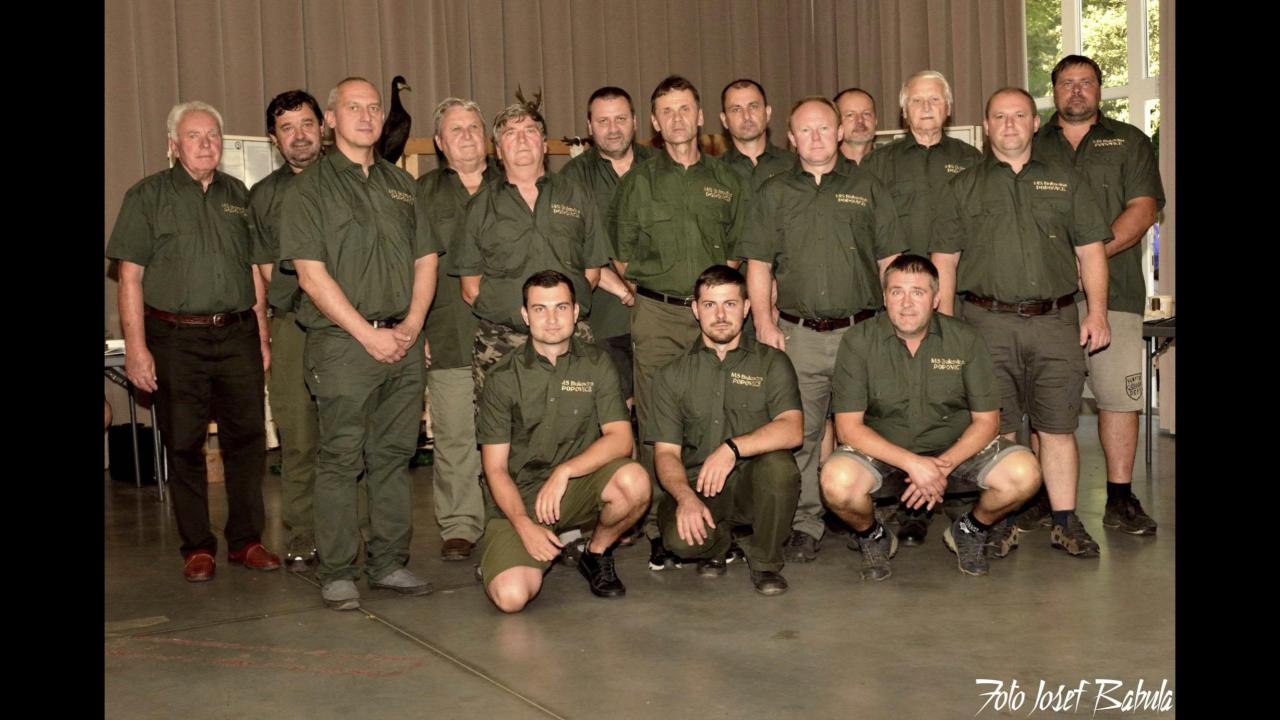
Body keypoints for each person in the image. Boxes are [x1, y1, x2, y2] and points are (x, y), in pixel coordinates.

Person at [279, 77, 442, 609]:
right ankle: (338, 570)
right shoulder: (309, 189)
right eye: (354, 107)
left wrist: (412, 324)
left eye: (374, 108)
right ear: (331, 119)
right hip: (343, 346)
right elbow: (311, 275)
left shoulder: (402, 184)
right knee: (340, 459)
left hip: (403, 340)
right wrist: (366, 334)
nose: (368, 116)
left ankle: (389, 562)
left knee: (393, 456)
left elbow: (426, 259)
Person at [931, 87, 1113, 558]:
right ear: (985, 126)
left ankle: (1065, 521)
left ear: (1035, 123)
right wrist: (944, 330)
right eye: (999, 117)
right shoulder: (962, 186)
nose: (1009, 124)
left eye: (1019, 116)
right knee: (998, 428)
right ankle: (1003, 522)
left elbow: (1091, 252)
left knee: (1058, 427)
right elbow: (944, 262)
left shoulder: (1066, 180)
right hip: (984, 324)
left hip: (1056, 322)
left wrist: (1096, 312)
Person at [107, 100, 280, 582]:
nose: (206, 144)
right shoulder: (146, 196)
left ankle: (246, 540)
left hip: (238, 333)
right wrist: (136, 348)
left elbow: (253, 268)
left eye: (213, 136)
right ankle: (198, 546)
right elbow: (129, 278)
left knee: (247, 440)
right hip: (175, 338)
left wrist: (262, 333)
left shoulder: (238, 195)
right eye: (194, 136)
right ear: (173, 145)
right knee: (183, 444)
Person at [739, 96, 904, 563]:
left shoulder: (868, 187)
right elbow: (758, 264)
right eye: (805, 130)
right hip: (799, 336)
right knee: (803, 434)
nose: (815, 137)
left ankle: (869, 518)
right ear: (791, 138)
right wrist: (764, 322)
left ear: (839, 132)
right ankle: (805, 523)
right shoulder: (773, 193)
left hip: (863, 333)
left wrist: (896, 324)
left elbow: (890, 260)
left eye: (824, 128)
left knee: (870, 429)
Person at [822, 255, 1042, 579]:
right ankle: (873, 535)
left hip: (955, 451)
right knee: (835, 481)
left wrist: (941, 467)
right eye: (897, 292)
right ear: (884, 297)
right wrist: (913, 464)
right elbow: (848, 428)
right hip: (883, 451)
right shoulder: (859, 341)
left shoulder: (965, 339)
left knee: (1025, 473)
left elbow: (987, 421)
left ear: (936, 298)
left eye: (918, 292)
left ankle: (969, 529)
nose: (907, 303)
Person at [609, 75, 747, 570]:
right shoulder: (638, 183)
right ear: (654, 122)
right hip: (659, 316)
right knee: (656, 418)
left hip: (715, 314)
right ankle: (656, 526)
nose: (677, 119)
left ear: (701, 115)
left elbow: (738, 251)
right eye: (666, 111)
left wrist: (714, 304)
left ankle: (718, 521)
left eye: (685, 108)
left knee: (720, 410)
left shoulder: (727, 180)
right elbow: (623, 257)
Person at [1032, 54, 1165, 537]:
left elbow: (1143, 209)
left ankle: (1120, 498)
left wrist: (1091, 256)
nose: (1076, 90)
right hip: (1045, 298)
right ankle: (1041, 497)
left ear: (1099, 89)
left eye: (1085, 82)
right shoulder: (1031, 142)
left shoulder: (1128, 141)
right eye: (1067, 82)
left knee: (1118, 399)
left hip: (1118, 293)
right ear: (1054, 90)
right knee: (1045, 399)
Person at [476, 271, 650, 613]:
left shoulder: (598, 363)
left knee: (634, 480)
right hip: (522, 498)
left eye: (561, 307)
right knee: (511, 598)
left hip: (576, 486)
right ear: (525, 315)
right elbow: (494, 469)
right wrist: (524, 525)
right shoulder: (502, 377)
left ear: (576, 312)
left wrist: (565, 471)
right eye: (540, 309)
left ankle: (596, 552)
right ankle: (506, 553)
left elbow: (620, 439)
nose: (552, 319)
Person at [862, 70, 984, 543]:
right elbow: (870, 233)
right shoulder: (880, 163)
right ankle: (909, 505)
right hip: (900, 306)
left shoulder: (972, 160)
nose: (927, 108)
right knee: (903, 403)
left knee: (950, 401)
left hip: (958, 301)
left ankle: (955, 493)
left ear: (948, 108)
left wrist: (946, 307)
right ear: (903, 110)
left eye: (935, 100)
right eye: (917, 101)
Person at [650, 265, 802, 595]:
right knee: (679, 542)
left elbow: (792, 430)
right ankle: (722, 544)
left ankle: (765, 562)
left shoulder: (772, 362)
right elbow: (665, 453)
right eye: (710, 305)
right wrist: (685, 497)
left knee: (780, 467)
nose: (720, 315)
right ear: (696, 309)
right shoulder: (671, 375)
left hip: (753, 484)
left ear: (746, 307)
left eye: (730, 304)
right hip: (698, 485)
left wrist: (732, 448)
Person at [453, 96, 610, 398]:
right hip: (502, 344)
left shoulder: (578, 196)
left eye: (530, 131)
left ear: (545, 144)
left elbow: (592, 272)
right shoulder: (479, 206)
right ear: (499, 150)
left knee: (578, 422)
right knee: (500, 426)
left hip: (571, 341)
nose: (522, 139)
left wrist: (557, 320)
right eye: (511, 133)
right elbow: (470, 288)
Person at [417, 97, 502, 561]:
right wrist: (416, 327)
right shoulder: (422, 194)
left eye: (473, 127)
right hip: (448, 331)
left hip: (513, 335)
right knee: (454, 436)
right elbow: (408, 265)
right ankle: (460, 525)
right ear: (439, 142)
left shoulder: (513, 183)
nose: (466, 136)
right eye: (456, 129)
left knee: (519, 433)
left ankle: (519, 516)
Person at [249, 89, 325, 570]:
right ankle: (303, 532)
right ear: (273, 138)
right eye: (287, 128)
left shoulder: (353, 181)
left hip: (349, 325)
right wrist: (265, 336)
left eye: (307, 124)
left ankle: (356, 530)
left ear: (323, 127)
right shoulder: (264, 196)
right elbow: (260, 270)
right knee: (298, 436)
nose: (299, 135)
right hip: (293, 324)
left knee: (351, 435)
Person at [559, 86, 655, 413]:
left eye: (620, 119)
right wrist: (623, 289)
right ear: (589, 126)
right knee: (617, 411)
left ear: (635, 121)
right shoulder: (572, 178)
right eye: (603, 121)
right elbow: (570, 246)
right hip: (606, 316)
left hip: (664, 316)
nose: (613, 129)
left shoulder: (661, 165)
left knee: (665, 407)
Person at [718, 78, 795, 194]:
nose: (746, 116)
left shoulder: (794, 165)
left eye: (753, 106)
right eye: (736, 109)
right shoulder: (713, 172)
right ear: (724, 120)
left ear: (767, 113)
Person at [834, 88, 878, 166]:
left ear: (876, 121)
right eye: (850, 115)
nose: (860, 120)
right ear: (836, 123)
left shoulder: (892, 166)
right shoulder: (823, 168)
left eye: (866, 114)